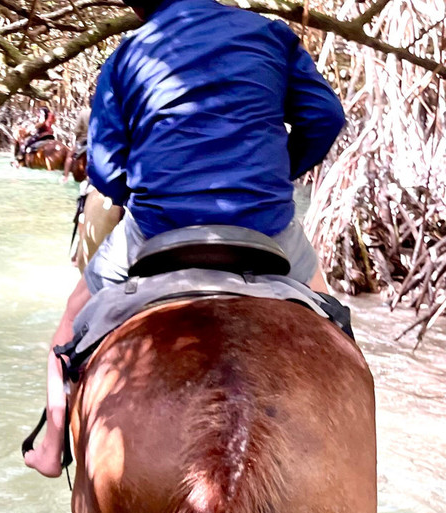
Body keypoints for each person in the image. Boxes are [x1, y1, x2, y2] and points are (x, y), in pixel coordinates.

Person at [24, 0, 345, 477]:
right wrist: (272, 176)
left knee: (72, 320)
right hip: (265, 221)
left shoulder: (127, 55)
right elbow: (325, 117)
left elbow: (106, 169)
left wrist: (158, 187)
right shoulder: (271, 34)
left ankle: (51, 449)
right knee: (335, 327)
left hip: (158, 225)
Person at [62, 106, 91, 182]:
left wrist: (77, 137)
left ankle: (65, 176)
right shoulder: (101, 111)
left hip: (83, 139)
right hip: (96, 141)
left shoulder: (83, 112)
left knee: (69, 155)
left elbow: (77, 129)